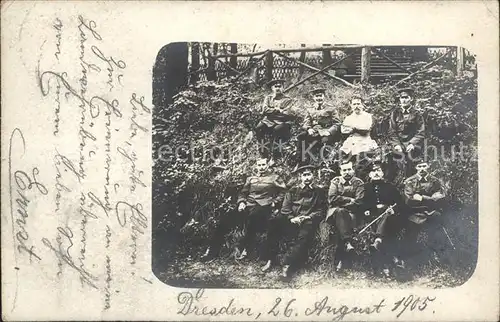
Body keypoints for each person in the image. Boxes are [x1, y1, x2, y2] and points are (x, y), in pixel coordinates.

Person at [200, 158, 285, 261]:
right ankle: (212, 252)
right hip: (248, 205)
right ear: (256, 166)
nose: (261, 167)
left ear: (267, 165)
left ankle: (245, 249)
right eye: (259, 165)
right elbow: (243, 193)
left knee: (253, 218)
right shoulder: (251, 178)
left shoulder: (274, 178)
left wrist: (275, 202)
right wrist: (241, 202)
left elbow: (283, 192)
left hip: (264, 206)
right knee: (224, 221)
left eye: (263, 165)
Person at [262, 165, 326, 277]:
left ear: (313, 176)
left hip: (307, 219)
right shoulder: (292, 190)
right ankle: (270, 259)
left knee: (304, 237)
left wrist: (309, 216)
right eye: (304, 175)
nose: (307, 178)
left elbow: (321, 210)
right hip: (292, 218)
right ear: (300, 177)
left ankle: (286, 264)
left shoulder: (318, 191)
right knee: (274, 222)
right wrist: (292, 218)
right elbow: (285, 207)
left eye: (309, 174)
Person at [362, 160, 404, 277]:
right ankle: (392, 261)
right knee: (388, 231)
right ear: (369, 174)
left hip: (389, 216)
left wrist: (393, 210)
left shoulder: (390, 187)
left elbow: (400, 203)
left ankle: (378, 239)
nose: (376, 173)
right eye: (373, 171)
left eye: (378, 170)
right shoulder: (365, 187)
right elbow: (361, 203)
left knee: (387, 217)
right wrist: (365, 210)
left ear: (383, 173)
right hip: (372, 216)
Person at [402, 159, 446, 266]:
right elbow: (409, 200)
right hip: (415, 212)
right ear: (416, 168)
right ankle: (408, 260)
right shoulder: (410, 181)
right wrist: (430, 198)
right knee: (410, 233)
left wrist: (421, 198)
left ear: (428, 166)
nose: (422, 169)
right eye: (419, 166)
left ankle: (437, 258)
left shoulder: (435, 181)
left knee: (437, 230)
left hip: (432, 211)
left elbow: (440, 197)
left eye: (424, 166)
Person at [326, 160, 364, 271]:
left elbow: (359, 201)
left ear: (353, 170)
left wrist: (343, 201)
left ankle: (340, 261)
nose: (347, 172)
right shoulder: (335, 182)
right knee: (340, 212)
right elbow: (332, 198)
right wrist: (349, 199)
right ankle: (348, 242)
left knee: (341, 228)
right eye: (344, 170)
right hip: (335, 212)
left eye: (349, 169)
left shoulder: (359, 183)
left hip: (352, 212)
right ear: (340, 171)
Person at [387, 87, 426, 186]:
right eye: (401, 98)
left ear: (411, 99)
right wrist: (396, 145)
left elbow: (421, 132)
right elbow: (392, 132)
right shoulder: (395, 113)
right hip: (398, 143)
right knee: (397, 158)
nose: (403, 100)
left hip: (412, 143)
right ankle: (399, 183)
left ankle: (409, 182)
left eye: (406, 97)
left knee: (411, 159)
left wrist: (412, 144)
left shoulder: (417, 114)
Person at [296, 87, 341, 166]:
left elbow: (337, 123)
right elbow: (306, 121)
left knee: (324, 141)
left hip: (326, 131)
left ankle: (322, 162)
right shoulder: (310, 109)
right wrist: (309, 128)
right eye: (317, 96)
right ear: (313, 98)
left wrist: (329, 131)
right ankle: (301, 159)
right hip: (314, 131)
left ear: (324, 96)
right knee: (301, 136)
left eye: (320, 95)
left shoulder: (331, 108)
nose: (319, 98)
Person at [340, 95, 379, 181]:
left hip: (364, 140)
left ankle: (359, 181)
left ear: (362, 105)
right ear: (351, 105)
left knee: (360, 161)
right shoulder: (348, 117)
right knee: (340, 156)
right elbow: (343, 130)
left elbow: (366, 130)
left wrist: (353, 128)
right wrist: (355, 129)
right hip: (351, 140)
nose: (356, 106)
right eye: (354, 104)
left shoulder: (368, 116)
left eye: (358, 104)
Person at [255, 79, 295, 158]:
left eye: (279, 86)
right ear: (272, 88)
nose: (277, 88)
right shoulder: (268, 98)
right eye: (275, 87)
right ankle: (263, 153)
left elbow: (287, 114)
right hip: (268, 120)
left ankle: (276, 154)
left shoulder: (288, 100)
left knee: (277, 130)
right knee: (258, 128)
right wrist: (277, 110)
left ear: (283, 88)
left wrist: (272, 112)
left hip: (282, 122)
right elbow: (264, 110)